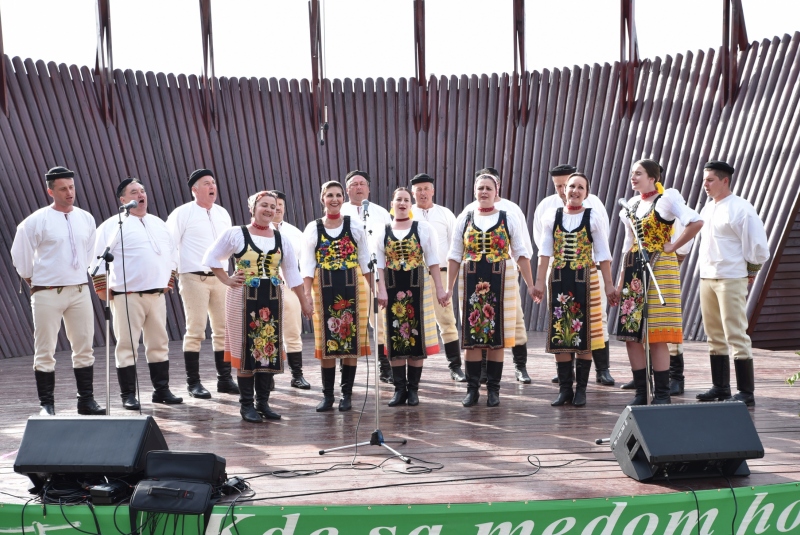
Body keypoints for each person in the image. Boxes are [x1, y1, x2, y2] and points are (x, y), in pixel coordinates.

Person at [203, 191, 312, 423]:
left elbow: (292, 272)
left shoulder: (282, 238)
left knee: (267, 350)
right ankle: (246, 405)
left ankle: (263, 403)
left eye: (273, 206)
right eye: (264, 205)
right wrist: (226, 280)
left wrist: (304, 302)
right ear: (253, 207)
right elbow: (211, 258)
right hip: (242, 298)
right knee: (245, 350)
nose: (269, 210)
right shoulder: (236, 233)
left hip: (271, 297)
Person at [11, 166, 105, 416]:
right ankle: (47, 405)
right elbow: (20, 255)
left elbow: (89, 254)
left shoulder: (86, 218)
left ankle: (86, 401)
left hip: (79, 290)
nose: (69, 192)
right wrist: (33, 279)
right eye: (63, 188)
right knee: (45, 349)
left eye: (72, 187)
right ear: (50, 191)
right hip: (46, 292)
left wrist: (78, 275)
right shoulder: (35, 221)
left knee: (84, 346)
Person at [615, 159, 703, 405]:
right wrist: (619, 280)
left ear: (652, 178)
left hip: (659, 267)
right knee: (631, 333)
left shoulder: (666, 199)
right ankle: (641, 392)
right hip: (634, 268)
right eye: (632, 173)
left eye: (638, 173)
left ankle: (662, 394)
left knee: (656, 334)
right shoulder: (630, 205)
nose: (633, 177)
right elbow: (628, 243)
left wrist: (674, 246)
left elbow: (695, 222)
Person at [446, 174, 536, 407]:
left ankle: (494, 390)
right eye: (480, 188)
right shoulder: (464, 218)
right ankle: (472, 389)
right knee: (472, 337)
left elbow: (520, 253)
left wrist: (531, 284)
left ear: (496, 192)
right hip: (471, 279)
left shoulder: (508, 217)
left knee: (496, 337)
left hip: (500, 280)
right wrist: (448, 288)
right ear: (475, 191)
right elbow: (455, 255)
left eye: (488, 188)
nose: (484, 192)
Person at [92, 178, 183, 409]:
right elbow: (96, 260)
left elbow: (172, 254)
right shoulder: (112, 226)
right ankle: (128, 395)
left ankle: (161, 390)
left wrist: (168, 281)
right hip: (127, 295)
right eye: (134, 192)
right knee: (127, 346)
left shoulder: (159, 223)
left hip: (156, 295)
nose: (140, 195)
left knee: (159, 343)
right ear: (123, 200)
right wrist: (103, 291)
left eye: (142, 190)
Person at [532, 173, 618, 407]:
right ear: (564, 190)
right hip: (559, 278)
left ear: (586, 193)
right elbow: (544, 253)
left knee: (585, 335)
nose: (575, 191)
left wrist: (609, 285)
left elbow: (603, 254)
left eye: (580, 187)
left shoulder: (593, 217)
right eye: (571, 186)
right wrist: (539, 282)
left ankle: (581, 390)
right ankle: (564, 390)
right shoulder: (552, 216)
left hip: (585, 279)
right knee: (561, 333)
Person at [696, 160, 769, 407]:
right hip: (707, 276)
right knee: (713, 334)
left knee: (736, 333)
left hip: (731, 277)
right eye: (704, 180)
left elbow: (757, 245)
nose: (704, 184)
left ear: (724, 180)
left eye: (710, 180)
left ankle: (746, 392)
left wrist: (751, 270)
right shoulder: (707, 209)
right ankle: (720, 387)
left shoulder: (741, 208)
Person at [167, 168, 238, 400]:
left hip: (221, 278)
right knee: (195, 330)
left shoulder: (222, 213)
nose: (212, 187)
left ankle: (225, 380)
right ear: (194, 190)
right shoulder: (182, 213)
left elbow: (230, 246)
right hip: (192, 277)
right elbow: (170, 245)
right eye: (206, 183)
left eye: (213, 183)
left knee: (223, 330)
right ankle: (193, 383)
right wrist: (174, 273)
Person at [301, 181, 373, 412]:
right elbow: (307, 264)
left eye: (338, 195)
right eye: (329, 195)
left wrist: (376, 290)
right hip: (323, 287)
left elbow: (364, 260)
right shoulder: (313, 227)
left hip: (354, 287)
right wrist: (306, 295)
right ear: (322, 198)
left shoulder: (355, 225)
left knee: (350, 341)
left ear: (343, 198)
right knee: (326, 340)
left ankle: (347, 395)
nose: (334, 199)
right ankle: (328, 396)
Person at [375, 187, 449, 406]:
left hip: (417, 286)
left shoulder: (423, 228)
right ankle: (399, 389)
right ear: (392, 203)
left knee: (416, 337)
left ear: (411, 204)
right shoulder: (383, 230)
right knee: (396, 338)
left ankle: (413, 389)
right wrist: (380, 290)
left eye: (406, 200)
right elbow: (379, 263)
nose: (402, 203)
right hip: (392, 286)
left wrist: (439, 289)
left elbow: (433, 260)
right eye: (399, 200)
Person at [339, 170, 394, 383]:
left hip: (377, 271)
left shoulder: (380, 212)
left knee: (379, 320)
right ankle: (345, 369)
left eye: (362, 183)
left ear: (369, 188)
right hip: (349, 273)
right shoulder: (339, 211)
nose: (359, 187)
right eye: (354, 184)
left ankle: (385, 365)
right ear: (347, 189)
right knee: (346, 319)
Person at [410, 173, 465, 382]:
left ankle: (455, 367)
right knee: (412, 320)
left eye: (426, 188)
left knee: (447, 320)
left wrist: (450, 281)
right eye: (418, 189)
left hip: (440, 275)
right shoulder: (406, 213)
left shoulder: (445, 214)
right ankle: (412, 374)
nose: (423, 193)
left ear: (433, 190)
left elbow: (455, 248)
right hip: (414, 276)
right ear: (413, 192)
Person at [270, 190, 311, 389]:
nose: (276, 208)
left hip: (291, 287)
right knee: (266, 331)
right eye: (273, 204)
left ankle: (297, 375)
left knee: (293, 332)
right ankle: (266, 376)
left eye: (280, 205)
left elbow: (305, 263)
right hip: (265, 287)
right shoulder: (255, 231)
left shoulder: (295, 233)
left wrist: (304, 293)